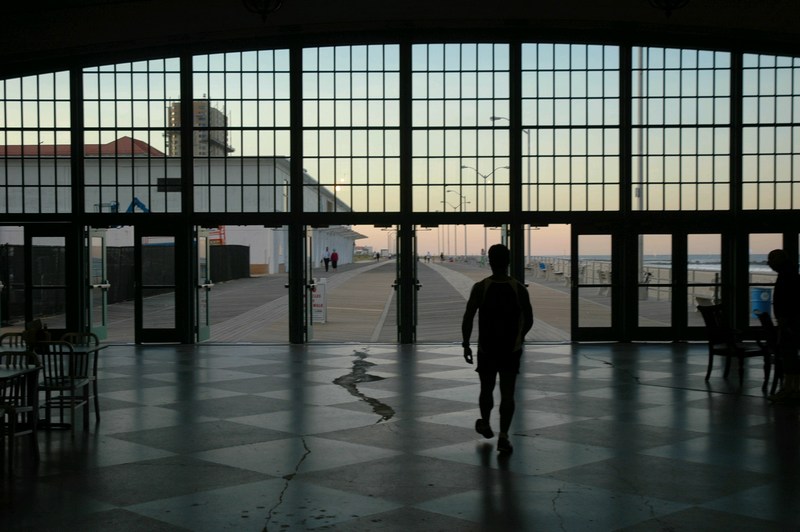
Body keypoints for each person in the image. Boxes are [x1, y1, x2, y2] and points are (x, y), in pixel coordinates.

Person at [461, 243, 534, 453]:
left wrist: (466, 343)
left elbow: (468, 317)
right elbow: (529, 319)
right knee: (508, 393)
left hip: (487, 348)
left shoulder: (481, 287)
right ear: (508, 261)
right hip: (511, 348)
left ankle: (485, 422)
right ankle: (504, 435)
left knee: (486, 388)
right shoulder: (518, 288)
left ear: (490, 262)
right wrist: (520, 337)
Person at [767, 249, 800, 401]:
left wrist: (784, 319)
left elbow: (788, 299)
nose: (769, 263)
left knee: (789, 354)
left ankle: (790, 388)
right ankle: (792, 387)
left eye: (771, 260)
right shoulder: (790, 273)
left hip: (790, 321)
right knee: (790, 354)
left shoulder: (786, 276)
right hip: (790, 320)